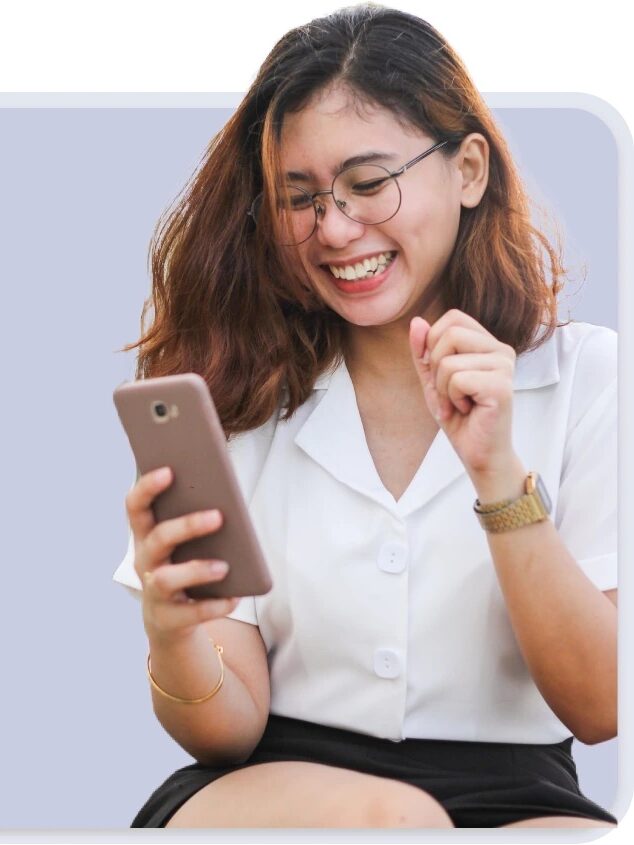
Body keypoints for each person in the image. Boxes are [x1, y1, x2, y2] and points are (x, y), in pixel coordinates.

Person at [113, 3, 618, 829]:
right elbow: (226, 728)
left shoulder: (590, 378)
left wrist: (496, 474)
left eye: (368, 183)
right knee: (395, 821)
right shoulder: (236, 389)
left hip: (520, 790)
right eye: (300, 197)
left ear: (469, 170)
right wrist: (171, 632)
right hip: (274, 782)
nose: (334, 230)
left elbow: (601, 707)